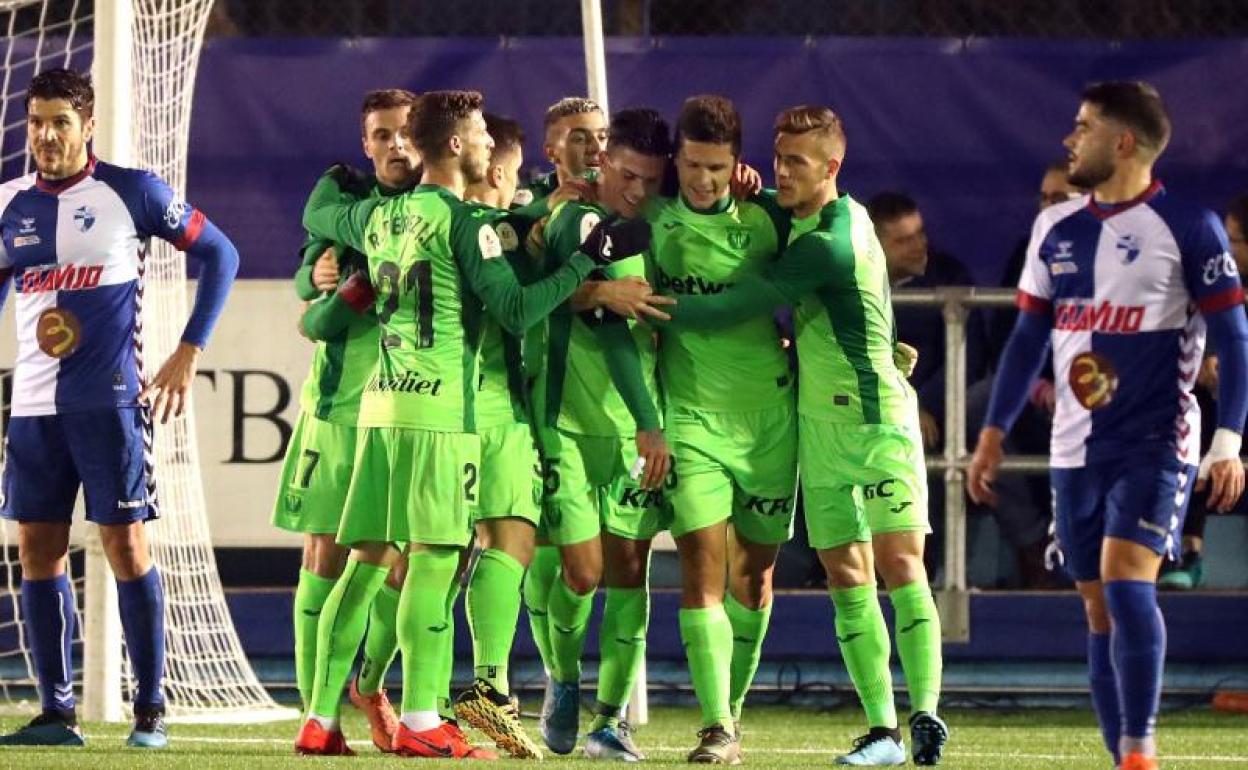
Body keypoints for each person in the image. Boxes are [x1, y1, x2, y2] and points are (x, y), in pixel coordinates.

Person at [297, 89, 656, 759]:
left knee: (369, 560)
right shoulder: (467, 222)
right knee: (434, 564)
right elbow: (517, 311)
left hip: (381, 406)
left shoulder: (382, 216)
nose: (493, 149)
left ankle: (319, 714)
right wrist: (585, 265)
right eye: (484, 138)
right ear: (457, 145)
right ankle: (424, 716)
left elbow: (322, 216)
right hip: (442, 412)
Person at [653, 105, 947, 767]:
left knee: (901, 565)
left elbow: (737, 303)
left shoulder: (829, 239)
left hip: (874, 424)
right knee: (847, 574)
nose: (783, 172)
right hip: (816, 427)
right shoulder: (822, 217)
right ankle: (882, 731)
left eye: (798, 164)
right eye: (779, 159)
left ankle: (925, 709)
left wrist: (652, 304)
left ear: (832, 168)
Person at [967, 82, 1248, 770]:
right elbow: (1028, 337)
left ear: (1122, 142)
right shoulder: (1055, 231)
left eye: (1083, 127)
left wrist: (1228, 443)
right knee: (1098, 611)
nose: (1070, 138)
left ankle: (1139, 750)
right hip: (1073, 449)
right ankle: (1120, 752)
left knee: (1127, 585)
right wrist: (994, 431)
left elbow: (1235, 338)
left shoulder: (1189, 226)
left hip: (1157, 443)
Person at [0, 68, 239, 748]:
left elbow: (221, 253)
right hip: (34, 410)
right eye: (37, 122)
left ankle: (151, 711)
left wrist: (190, 349)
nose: (47, 136)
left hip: (109, 406)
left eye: (61, 123)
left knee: (127, 547)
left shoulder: (130, 192)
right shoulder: (9, 204)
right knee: (36, 551)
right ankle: (55, 712)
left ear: (88, 125)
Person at [647, 94, 795, 764]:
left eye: (717, 167)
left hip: (769, 419)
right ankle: (716, 726)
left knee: (756, 579)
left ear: (738, 165)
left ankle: (729, 711)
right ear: (675, 158)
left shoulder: (765, 222)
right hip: (692, 419)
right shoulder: (651, 223)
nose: (703, 180)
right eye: (693, 165)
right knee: (702, 566)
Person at [523, 107, 674, 762]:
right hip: (566, 418)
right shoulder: (552, 217)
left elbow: (638, 311)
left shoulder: (642, 224)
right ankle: (561, 675)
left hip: (631, 417)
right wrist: (593, 296)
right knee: (577, 571)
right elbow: (544, 296)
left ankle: (610, 720)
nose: (637, 188)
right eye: (627, 173)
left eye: (649, 179)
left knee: (630, 570)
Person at [272, 88, 419, 754]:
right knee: (325, 553)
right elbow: (309, 276)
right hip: (336, 409)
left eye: (405, 133)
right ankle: (318, 713)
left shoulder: (439, 207)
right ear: (367, 144)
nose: (395, 145)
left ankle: (371, 686)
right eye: (382, 134)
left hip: (411, 408)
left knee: (402, 568)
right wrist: (317, 275)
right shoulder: (343, 198)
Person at [967, 161, 1085, 589]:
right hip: (1037, 397)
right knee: (978, 402)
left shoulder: (1112, 249)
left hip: (1098, 393)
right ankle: (1032, 546)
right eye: (1044, 199)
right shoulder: (1028, 252)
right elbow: (1010, 339)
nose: (1049, 208)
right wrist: (1038, 388)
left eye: (1062, 199)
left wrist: (1076, 386)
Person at [1159, 192, 1248, 589]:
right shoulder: (1221, 283)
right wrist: (1209, 367)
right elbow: (1214, 341)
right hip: (1224, 404)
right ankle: (1186, 546)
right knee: (1193, 415)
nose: (1225, 250)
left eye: (1234, 241)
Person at [514, 97, 608, 212]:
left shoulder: (626, 196)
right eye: (580, 139)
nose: (597, 148)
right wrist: (547, 207)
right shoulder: (530, 200)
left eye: (602, 137)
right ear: (551, 153)